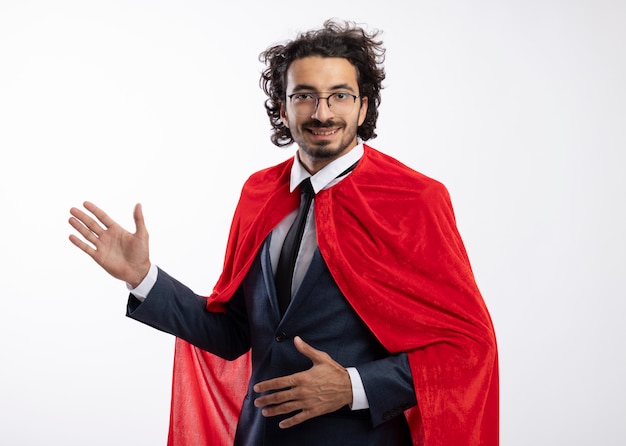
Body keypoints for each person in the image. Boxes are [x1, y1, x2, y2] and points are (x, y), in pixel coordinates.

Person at [68, 19, 498, 446]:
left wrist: (353, 386)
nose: (322, 112)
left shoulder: (416, 198)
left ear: (363, 106)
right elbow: (236, 332)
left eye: (340, 96)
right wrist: (142, 278)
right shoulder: (259, 192)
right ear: (281, 106)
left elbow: (469, 348)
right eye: (304, 96)